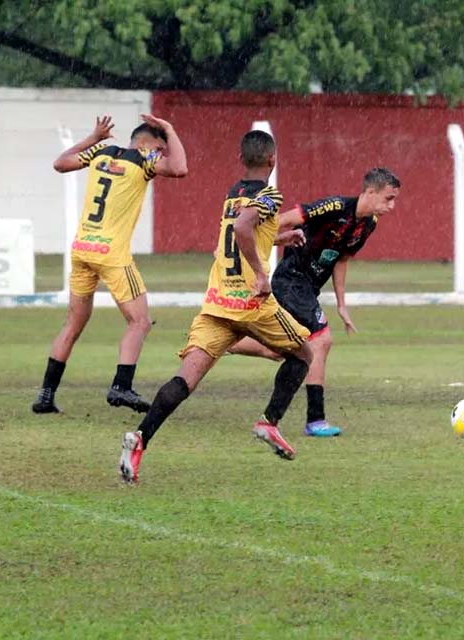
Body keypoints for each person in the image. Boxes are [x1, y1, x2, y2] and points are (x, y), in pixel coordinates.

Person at [119, 130, 313, 484]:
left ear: (242, 160)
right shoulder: (270, 194)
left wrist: (279, 238)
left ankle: (139, 440)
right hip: (251, 302)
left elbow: (238, 234)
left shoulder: (232, 194)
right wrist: (261, 273)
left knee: (185, 379)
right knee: (304, 355)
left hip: (216, 302)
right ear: (272, 160)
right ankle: (268, 422)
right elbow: (243, 229)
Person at [225, 168, 402, 437]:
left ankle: (227, 341)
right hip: (291, 279)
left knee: (282, 351)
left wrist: (342, 304)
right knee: (321, 340)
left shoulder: (369, 224)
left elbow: (341, 260)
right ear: (370, 192)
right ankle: (315, 419)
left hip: (308, 287)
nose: (392, 205)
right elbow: (285, 218)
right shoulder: (334, 207)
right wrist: (262, 239)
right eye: (388, 198)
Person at [31, 115, 188, 415]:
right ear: (151, 142)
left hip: (83, 248)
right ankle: (121, 386)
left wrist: (94, 137)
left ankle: (45, 396)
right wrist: (170, 127)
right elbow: (180, 168)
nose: (164, 153)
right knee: (140, 321)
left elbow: (60, 163)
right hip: (111, 253)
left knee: (73, 324)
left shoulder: (101, 153)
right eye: (162, 146)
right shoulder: (144, 158)